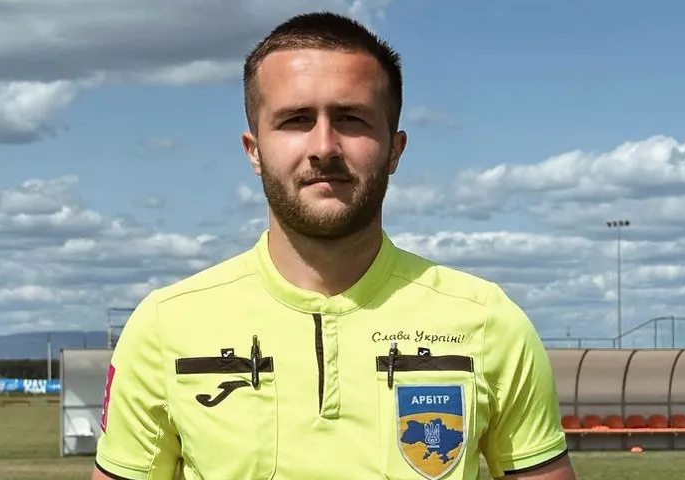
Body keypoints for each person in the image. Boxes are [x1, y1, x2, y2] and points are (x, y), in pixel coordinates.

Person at [92, 11, 576, 480]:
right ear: (254, 151)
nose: (324, 147)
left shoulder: (488, 322)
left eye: (351, 119)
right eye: (295, 119)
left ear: (395, 150)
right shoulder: (165, 327)